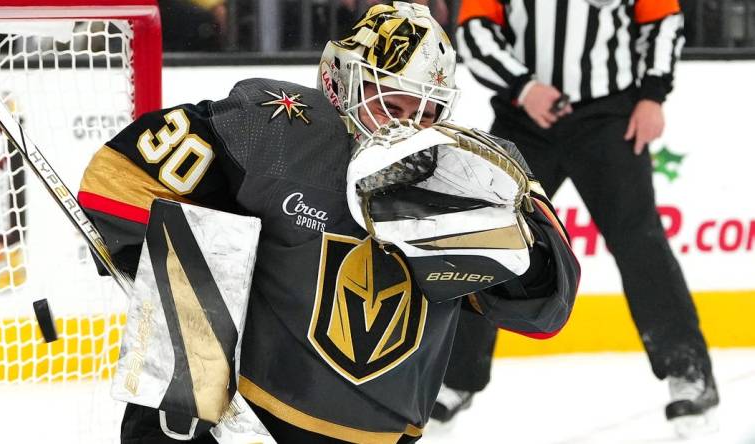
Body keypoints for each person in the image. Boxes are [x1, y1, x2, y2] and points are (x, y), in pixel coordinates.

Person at [78, 3, 579, 442]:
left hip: (380, 430)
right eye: (391, 104)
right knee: (199, 239)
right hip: (233, 415)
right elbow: (118, 179)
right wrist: (193, 289)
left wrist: (516, 243)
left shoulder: (469, 171)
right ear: (343, 81)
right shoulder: (275, 129)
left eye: (426, 112)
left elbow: (544, 310)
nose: (409, 126)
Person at [434, 0, 719, 432]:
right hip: (523, 117)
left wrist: (652, 95)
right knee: (486, 237)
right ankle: (456, 378)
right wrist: (524, 87)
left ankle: (688, 370)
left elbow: (662, 21)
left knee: (640, 242)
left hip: (608, 117)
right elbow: (474, 30)